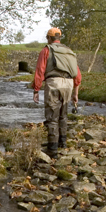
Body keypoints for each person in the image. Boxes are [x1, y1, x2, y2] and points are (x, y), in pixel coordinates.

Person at [32, 28, 81, 158]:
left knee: (52, 116)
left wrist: (36, 90)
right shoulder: (69, 52)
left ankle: (52, 149)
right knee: (63, 115)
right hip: (69, 84)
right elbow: (77, 75)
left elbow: (39, 71)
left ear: (49, 38)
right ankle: (62, 144)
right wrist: (75, 94)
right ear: (59, 38)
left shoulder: (46, 50)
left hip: (54, 83)